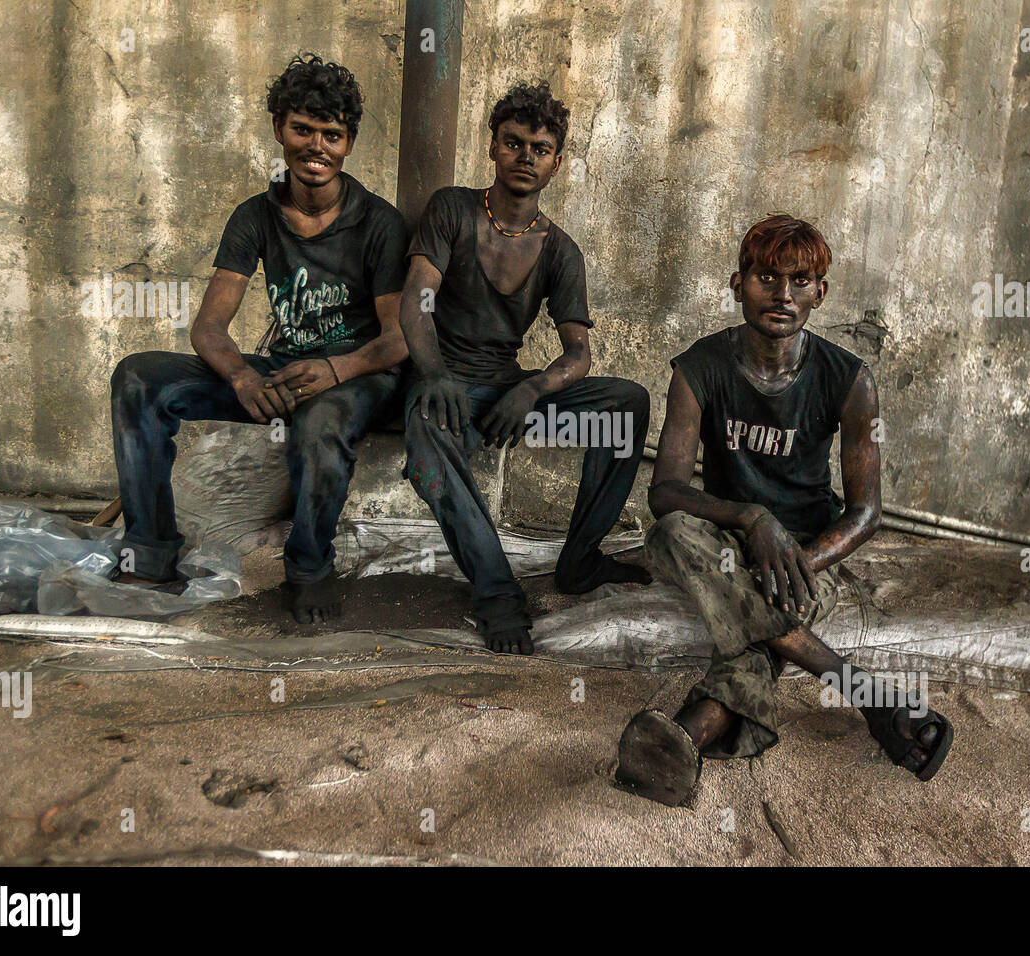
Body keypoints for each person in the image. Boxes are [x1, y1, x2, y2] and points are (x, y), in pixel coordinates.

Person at [615, 214, 953, 806]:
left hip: (803, 549)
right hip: (718, 534)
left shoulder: (849, 379)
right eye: (766, 276)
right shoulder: (699, 369)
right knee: (670, 533)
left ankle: (682, 741)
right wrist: (750, 516)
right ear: (737, 282)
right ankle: (868, 696)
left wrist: (798, 558)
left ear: (820, 292)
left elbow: (865, 513)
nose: (782, 294)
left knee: (751, 642)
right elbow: (665, 492)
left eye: (800, 281)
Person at [109, 54, 409, 624]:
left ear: (349, 143)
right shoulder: (255, 216)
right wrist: (243, 375)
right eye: (303, 129)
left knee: (320, 423)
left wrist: (336, 371)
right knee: (139, 378)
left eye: (332, 135)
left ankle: (309, 568)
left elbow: (397, 341)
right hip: (283, 373)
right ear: (279, 128)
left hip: (360, 377)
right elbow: (209, 327)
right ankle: (149, 551)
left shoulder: (379, 223)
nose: (316, 146)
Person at [398, 81, 652, 656]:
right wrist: (434, 375)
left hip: (510, 395)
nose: (525, 158)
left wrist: (532, 389)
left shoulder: (561, 250)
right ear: (493, 146)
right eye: (513, 144)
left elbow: (578, 356)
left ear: (556, 163)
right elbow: (416, 302)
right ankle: (496, 594)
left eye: (539, 149)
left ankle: (581, 561)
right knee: (429, 447)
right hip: (445, 382)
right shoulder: (452, 210)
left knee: (626, 404)